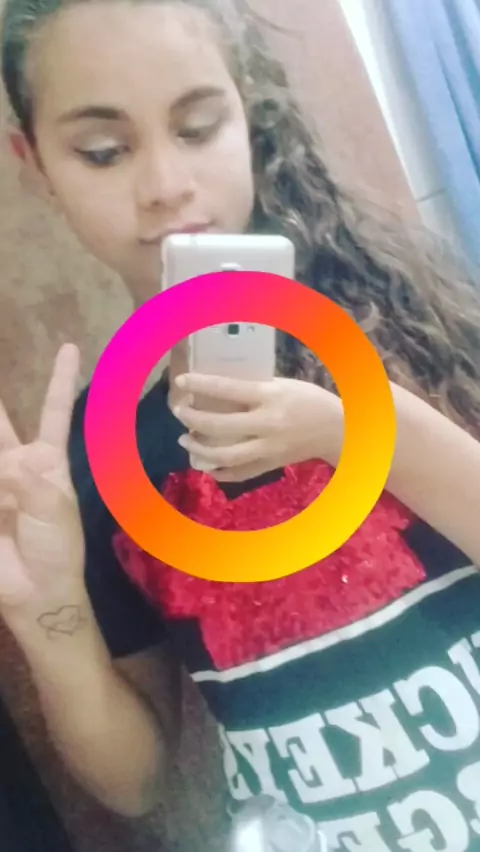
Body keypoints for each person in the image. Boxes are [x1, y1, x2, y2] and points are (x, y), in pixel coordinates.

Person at [1, 0, 480, 847]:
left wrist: (356, 428)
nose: (165, 185)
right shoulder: (94, 462)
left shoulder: (408, 332)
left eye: (197, 128)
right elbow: (138, 781)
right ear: (35, 164)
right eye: (103, 151)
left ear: (248, 121)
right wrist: (52, 622)